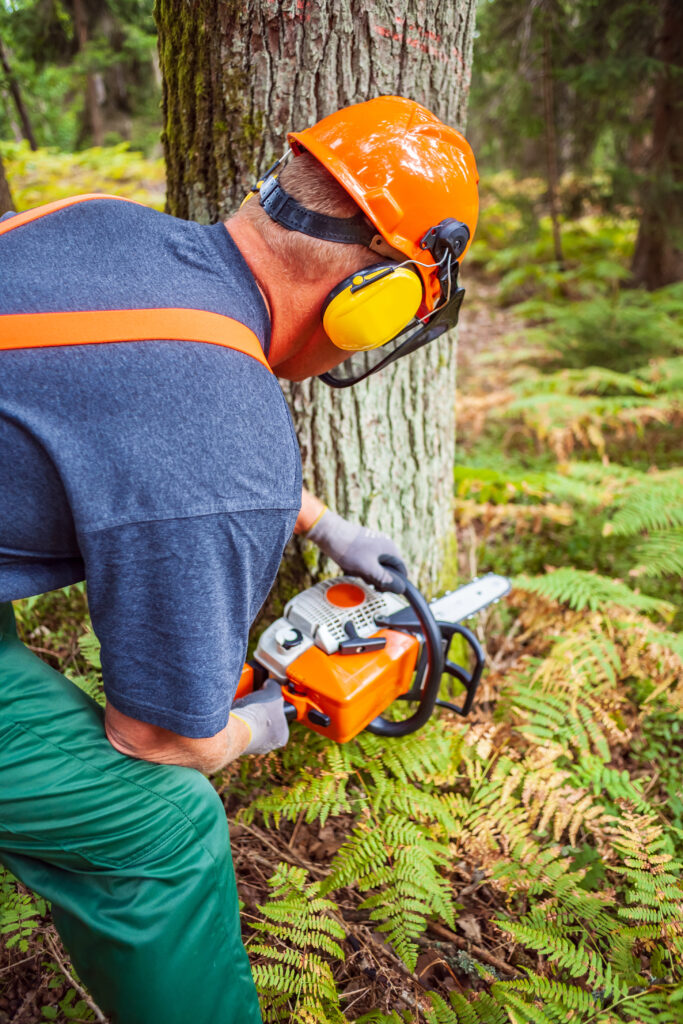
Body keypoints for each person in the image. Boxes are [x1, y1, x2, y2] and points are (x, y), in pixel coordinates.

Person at [0, 96, 478, 1023]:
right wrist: (259, 726)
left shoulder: (98, 222)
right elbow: (159, 738)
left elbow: (105, 398)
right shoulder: (229, 431)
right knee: (164, 823)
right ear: (372, 296)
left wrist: (316, 522)